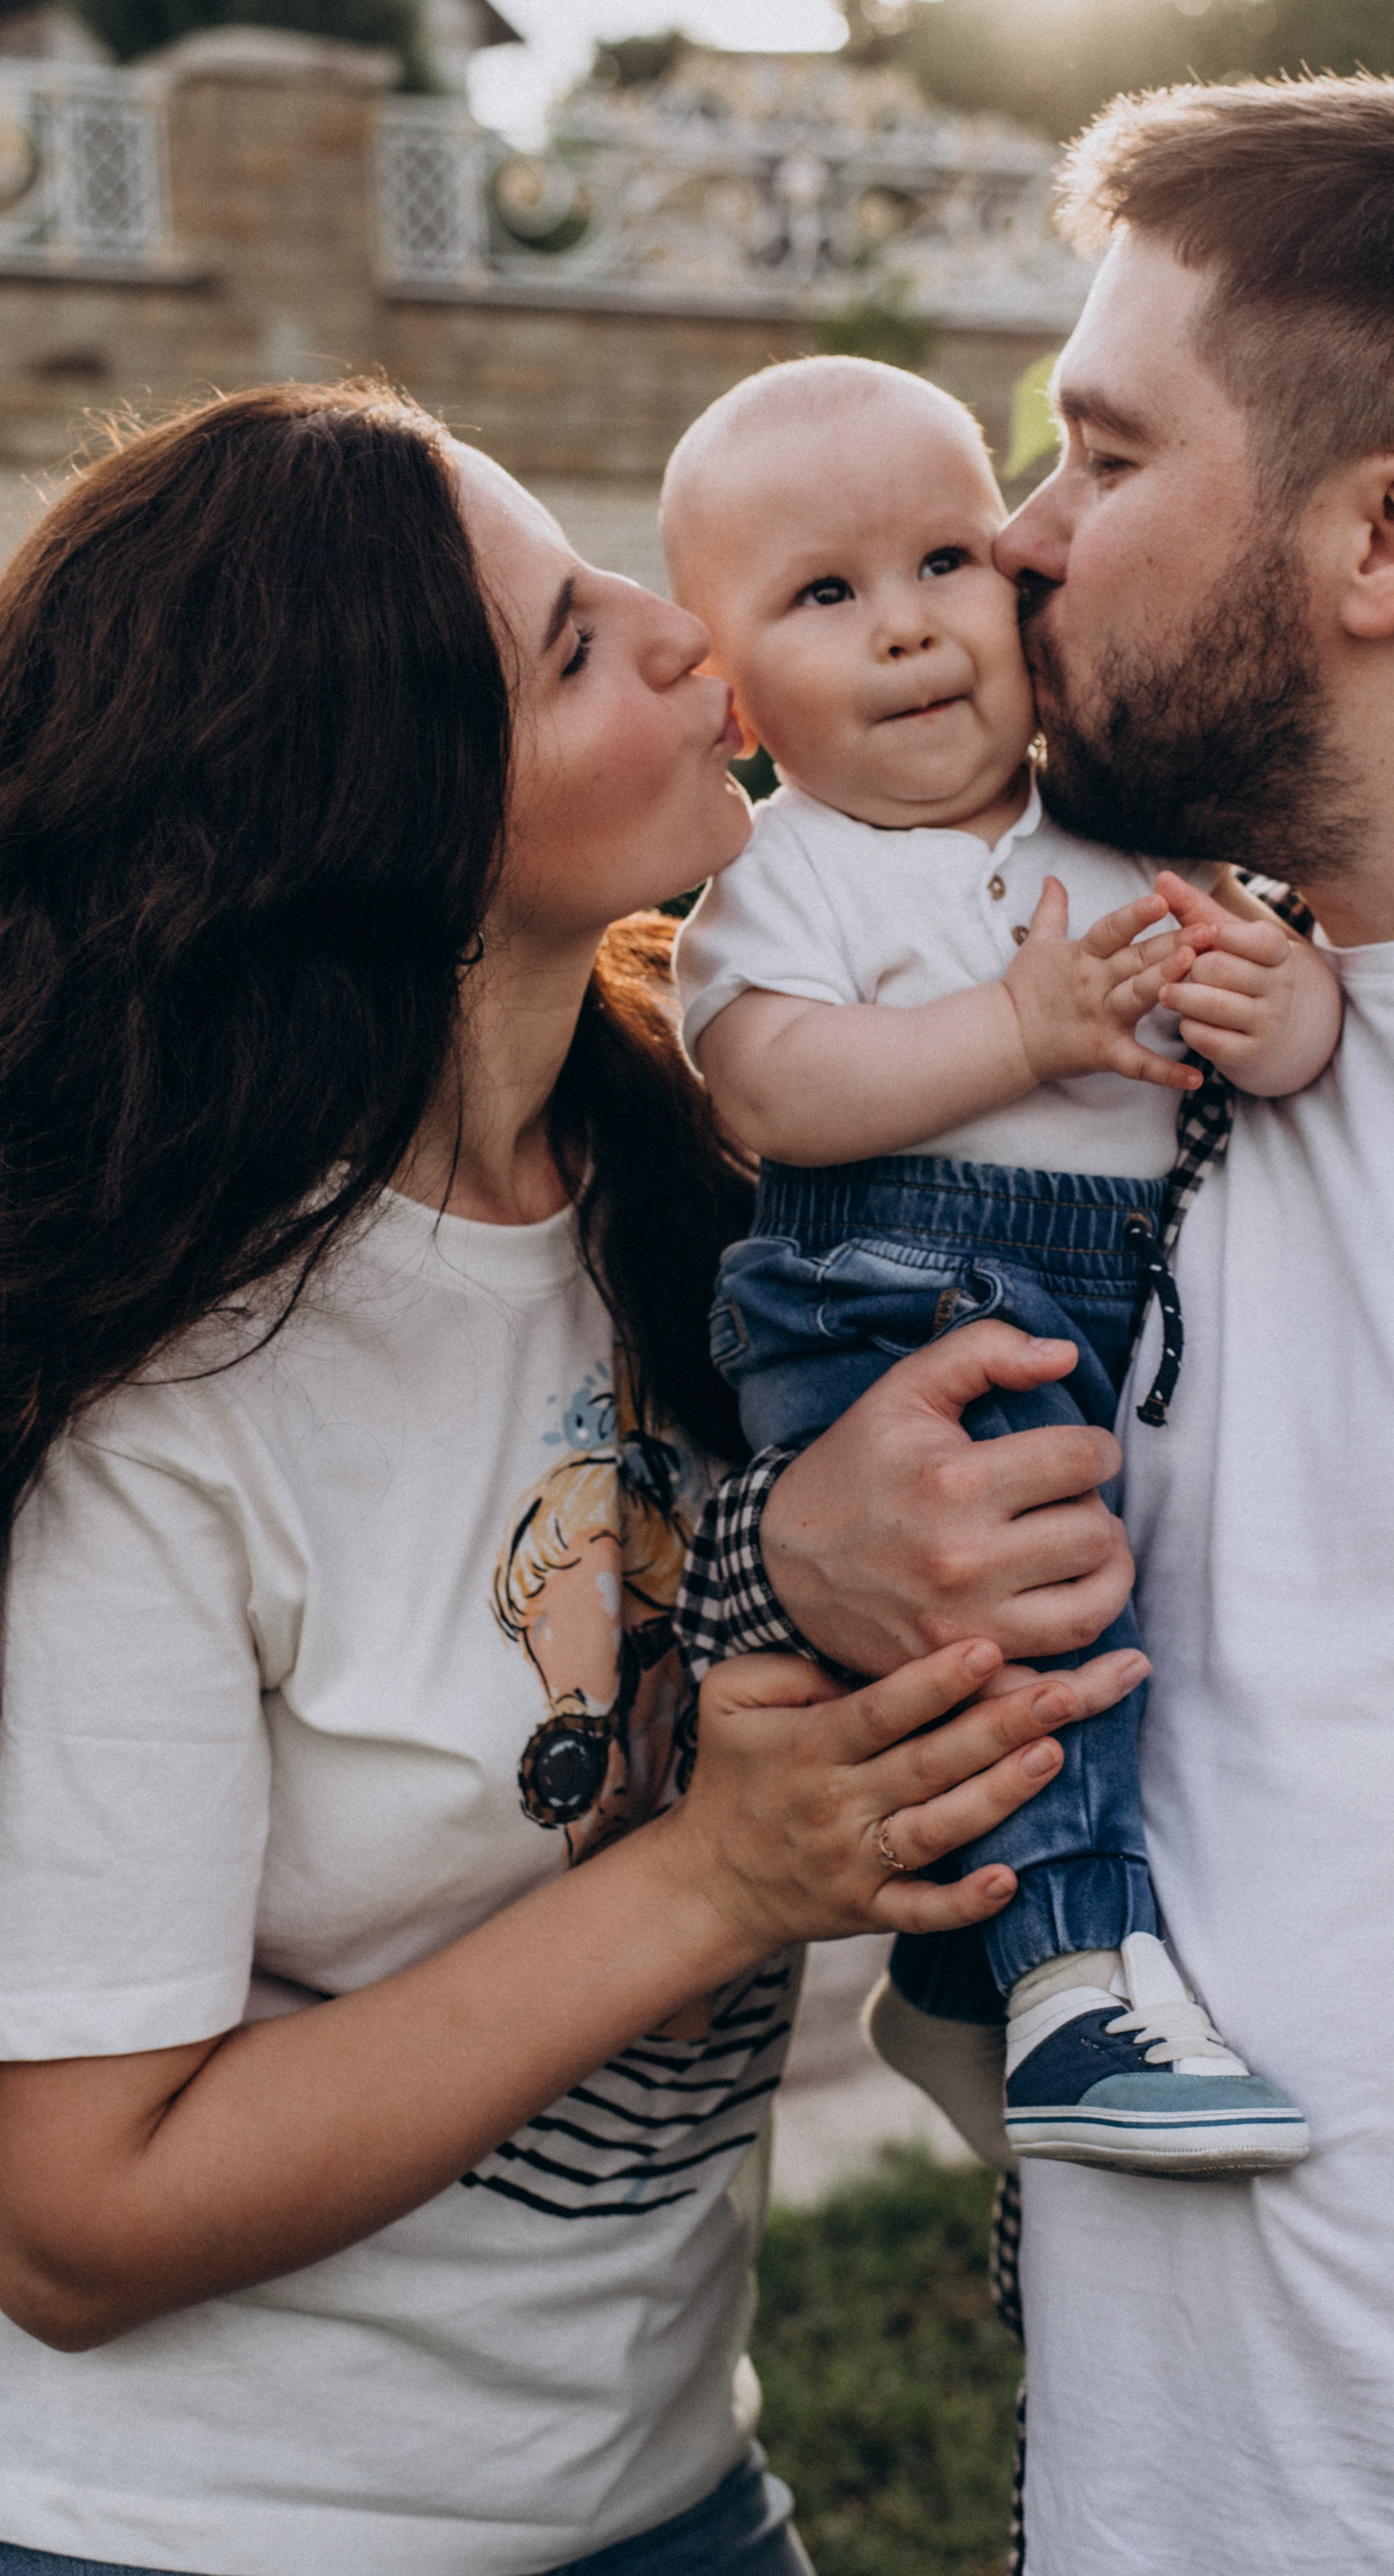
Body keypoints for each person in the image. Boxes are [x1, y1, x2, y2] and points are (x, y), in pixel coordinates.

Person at [673, 76, 1394, 2576]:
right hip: (1132, 2509)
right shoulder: (1074, 982)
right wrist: (792, 1543)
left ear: (1393, 532)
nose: (1017, 538)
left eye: (1100, 455)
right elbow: (766, 1501)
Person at [0, 383, 1141, 2576]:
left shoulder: (713, 1194)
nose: (693, 635)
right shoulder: (162, 1392)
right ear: (397, 813)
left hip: (677, 2492)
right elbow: (72, 2218)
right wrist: (715, 1883)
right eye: (576, 641)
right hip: (197, 2535)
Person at [661, 353, 1336, 2179]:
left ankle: (957, 1987)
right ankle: (1074, 1989)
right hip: (885, 1303)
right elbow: (773, 1089)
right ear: (733, 695)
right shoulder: (786, 871)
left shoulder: (1115, 830)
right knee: (1036, 1613)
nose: (905, 628)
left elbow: (1268, 1002)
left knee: (1120, 1608)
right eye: (825, 592)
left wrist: (1281, 1007)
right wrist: (1017, 1028)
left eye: (943, 561)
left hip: (1116, 1301)